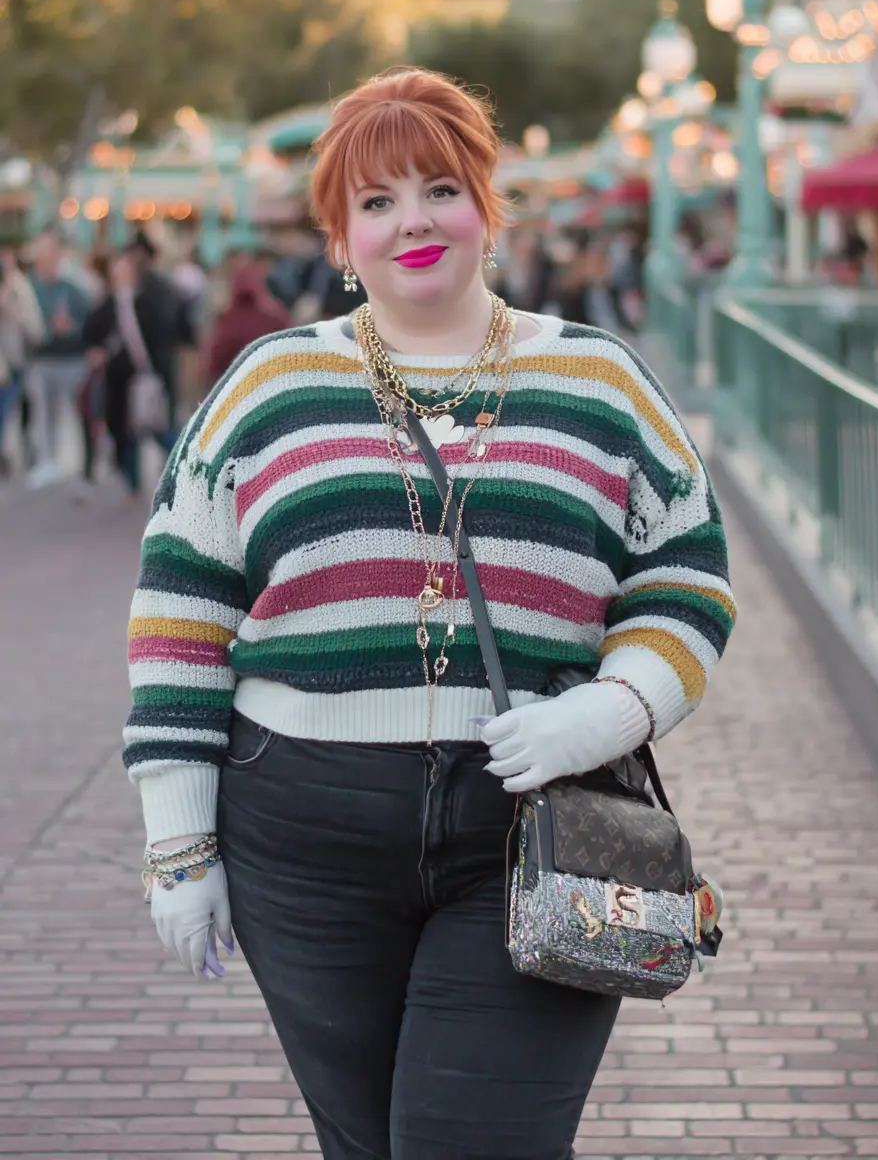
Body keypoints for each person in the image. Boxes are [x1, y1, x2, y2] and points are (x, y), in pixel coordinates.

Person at [125, 68, 737, 1160]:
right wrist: (179, 843)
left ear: (485, 207)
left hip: (538, 825)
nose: (412, 220)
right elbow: (180, 611)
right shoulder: (267, 386)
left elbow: (686, 579)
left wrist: (612, 710)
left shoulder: (600, 378)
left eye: (439, 189)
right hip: (301, 839)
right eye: (376, 200)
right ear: (340, 236)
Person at [83, 231, 194, 493]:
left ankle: (188, 469)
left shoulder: (152, 297)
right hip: (122, 381)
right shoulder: (111, 302)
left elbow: (170, 332)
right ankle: (134, 481)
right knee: (126, 432)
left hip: (149, 376)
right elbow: (91, 331)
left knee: (158, 428)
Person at [25, 231, 93, 488]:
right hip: (42, 360)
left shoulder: (73, 288)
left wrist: (71, 328)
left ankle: (83, 466)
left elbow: (89, 322)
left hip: (71, 360)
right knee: (44, 414)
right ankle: (47, 461)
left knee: (78, 414)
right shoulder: (30, 287)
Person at [202, 262, 293, 389]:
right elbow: (290, 343)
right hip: (271, 380)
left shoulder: (228, 317)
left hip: (235, 384)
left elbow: (216, 356)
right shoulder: (275, 313)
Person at [0, 249, 44, 478]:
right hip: (7, 365)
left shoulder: (19, 291)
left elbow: (35, 329)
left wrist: (11, 308)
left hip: (15, 364)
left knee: (18, 411)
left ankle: (22, 452)